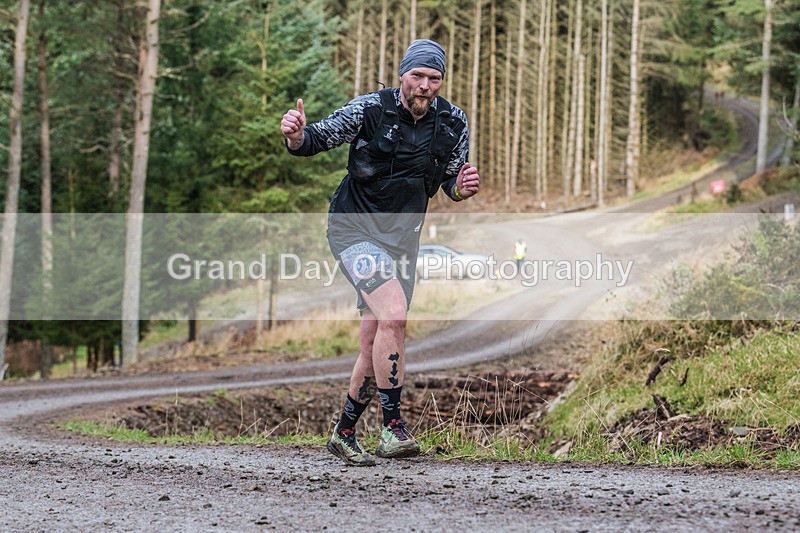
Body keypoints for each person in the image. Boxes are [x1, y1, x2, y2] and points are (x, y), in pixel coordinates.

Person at [281, 39, 480, 466]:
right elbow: (316, 138)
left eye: (434, 78)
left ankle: (344, 433)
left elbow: (449, 180)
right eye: (417, 76)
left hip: (402, 239)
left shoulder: (454, 122)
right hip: (353, 229)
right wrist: (296, 136)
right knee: (394, 314)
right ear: (402, 74)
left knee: (376, 336)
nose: (424, 86)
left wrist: (459, 190)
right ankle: (393, 428)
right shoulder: (370, 109)